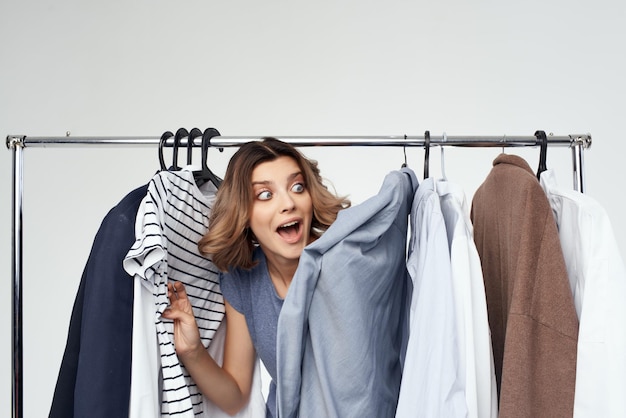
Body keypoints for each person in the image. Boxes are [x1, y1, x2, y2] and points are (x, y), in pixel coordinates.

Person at [162, 137, 350, 417]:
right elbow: (235, 395)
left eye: (297, 187)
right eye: (265, 194)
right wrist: (192, 350)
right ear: (243, 213)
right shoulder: (244, 278)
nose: (288, 203)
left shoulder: (347, 263)